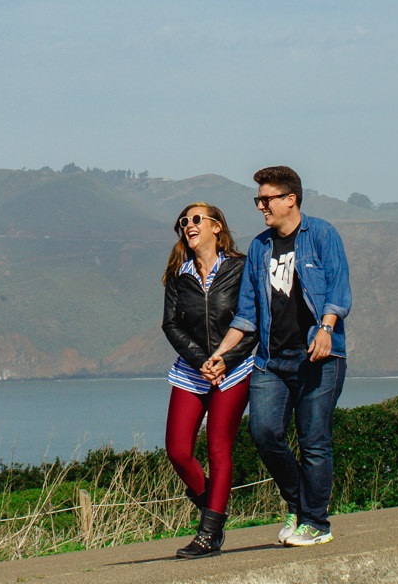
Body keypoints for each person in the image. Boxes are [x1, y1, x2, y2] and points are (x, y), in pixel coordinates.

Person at [203, 165, 351, 548]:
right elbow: (247, 313)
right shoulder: (259, 247)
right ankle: (298, 504)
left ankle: (316, 523)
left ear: (291, 199)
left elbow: (338, 288)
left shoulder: (321, 235)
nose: (260, 207)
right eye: (258, 200)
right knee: (264, 432)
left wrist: (326, 328)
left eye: (266, 199)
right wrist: (221, 353)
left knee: (314, 440)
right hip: (271, 361)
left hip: (319, 358)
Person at [159, 201, 255, 559]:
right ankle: (213, 507)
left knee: (218, 449)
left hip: (235, 370)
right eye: (184, 221)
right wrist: (201, 361)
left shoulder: (242, 268)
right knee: (178, 450)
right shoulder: (177, 275)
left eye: (197, 219)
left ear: (217, 227)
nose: (188, 224)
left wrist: (225, 360)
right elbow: (171, 324)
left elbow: (252, 320)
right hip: (192, 371)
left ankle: (208, 533)